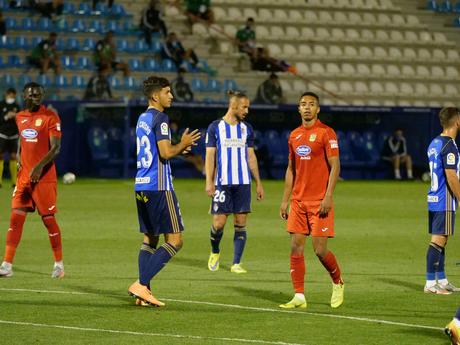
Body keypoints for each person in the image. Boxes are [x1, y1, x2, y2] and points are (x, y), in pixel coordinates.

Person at [128, 76, 201, 307]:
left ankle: (144, 292)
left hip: (141, 184)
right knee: (176, 240)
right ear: (155, 95)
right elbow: (165, 153)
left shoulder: (142, 118)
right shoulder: (161, 118)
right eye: (167, 92)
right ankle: (141, 283)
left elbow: (162, 150)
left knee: (150, 238)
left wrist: (179, 148)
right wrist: (182, 143)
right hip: (159, 187)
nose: (171, 96)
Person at [279, 92, 344, 309]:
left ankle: (338, 282)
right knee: (295, 247)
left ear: (318, 109)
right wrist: (284, 200)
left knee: (319, 250)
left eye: (311, 104)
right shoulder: (294, 135)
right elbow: (291, 169)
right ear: (298, 109)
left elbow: (335, 165)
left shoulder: (326, 133)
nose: (307, 107)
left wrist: (328, 196)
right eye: (303, 104)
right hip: (298, 201)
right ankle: (299, 295)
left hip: (319, 201)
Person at [0, 82, 64, 278]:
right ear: (24, 95)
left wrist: (37, 167)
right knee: (15, 218)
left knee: (48, 219)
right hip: (24, 178)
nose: (36, 97)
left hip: (44, 178)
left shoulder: (50, 116)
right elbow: (23, 143)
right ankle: (7, 265)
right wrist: (21, 161)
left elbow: (56, 148)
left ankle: (59, 265)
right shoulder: (20, 117)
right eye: (33, 94)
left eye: (39, 94)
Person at [205, 90, 264, 274]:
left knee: (240, 222)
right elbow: (210, 156)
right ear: (234, 105)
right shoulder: (215, 127)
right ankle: (215, 251)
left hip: (243, 183)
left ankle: (236, 263)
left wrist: (258, 182)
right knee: (218, 224)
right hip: (222, 182)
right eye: (244, 107)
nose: (247, 111)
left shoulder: (247, 128)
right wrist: (209, 181)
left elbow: (250, 156)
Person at [425, 107, 460, 294]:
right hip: (444, 199)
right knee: (438, 240)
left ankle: (443, 279)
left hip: (434, 197)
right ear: (457, 122)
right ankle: (431, 283)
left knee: (442, 239)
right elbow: (451, 176)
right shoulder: (449, 145)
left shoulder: (434, 143)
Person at [0, 88, 19, 187]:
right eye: (11, 95)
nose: (12, 97)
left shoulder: (16, 106)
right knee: (0, 156)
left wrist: (15, 116)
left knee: (13, 156)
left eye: (14, 96)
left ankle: (14, 182)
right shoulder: (1, 104)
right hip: (2, 134)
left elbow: (20, 119)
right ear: (7, 94)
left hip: (13, 135)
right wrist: (6, 116)